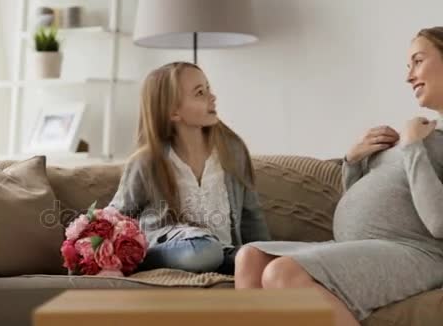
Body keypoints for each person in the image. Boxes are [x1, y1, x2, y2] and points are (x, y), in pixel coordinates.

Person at [234, 26, 443, 326]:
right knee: (250, 257)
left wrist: (411, 146)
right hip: (363, 247)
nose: (409, 76)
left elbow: (438, 223)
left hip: (419, 253)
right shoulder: (425, 131)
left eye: (418, 61)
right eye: (408, 65)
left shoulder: (417, 138)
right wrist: (354, 161)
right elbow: (362, 203)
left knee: (283, 273)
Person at [108, 61, 271, 274]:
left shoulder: (233, 151)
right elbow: (115, 217)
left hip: (226, 256)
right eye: (200, 93)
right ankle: (142, 260)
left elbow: (252, 216)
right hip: (184, 251)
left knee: (273, 257)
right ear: (173, 111)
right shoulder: (147, 162)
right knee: (204, 251)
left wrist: (267, 257)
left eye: (208, 89)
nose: (212, 97)